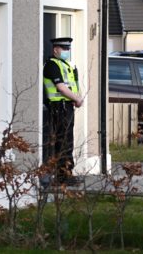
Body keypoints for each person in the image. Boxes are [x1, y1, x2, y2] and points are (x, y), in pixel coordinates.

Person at [43, 37, 84, 185]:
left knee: (67, 141)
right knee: (63, 142)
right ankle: (62, 177)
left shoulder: (66, 65)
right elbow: (61, 87)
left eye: (68, 49)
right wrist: (78, 99)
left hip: (66, 106)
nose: (67, 51)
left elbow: (71, 85)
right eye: (64, 49)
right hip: (58, 108)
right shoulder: (52, 65)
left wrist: (74, 98)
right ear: (55, 50)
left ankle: (66, 173)